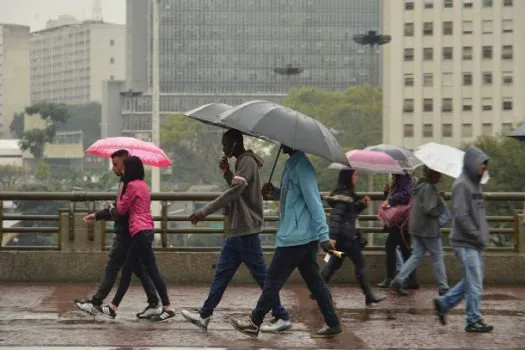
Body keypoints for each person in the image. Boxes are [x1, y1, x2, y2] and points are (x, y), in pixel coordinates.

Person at [181, 129, 291, 332]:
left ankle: (281, 315)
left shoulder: (247, 162)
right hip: (238, 230)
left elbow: (234, 192)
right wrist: (226, 172)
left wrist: (204, 212)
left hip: (245, 230)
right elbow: (238, 187)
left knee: (262, 278)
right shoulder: (242, 162)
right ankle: (205, 314)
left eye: (225, 144)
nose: (223, 148)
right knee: (222, 276)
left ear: (234, 143)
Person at [230, 145, 341, 338]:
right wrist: (274, 192)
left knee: (272, 280)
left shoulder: (302, 167)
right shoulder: (292, 164)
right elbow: (293, 197)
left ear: (294, 142)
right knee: (315, 282)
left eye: (284, 141)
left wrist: (324, 235)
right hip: (299, 236)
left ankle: (254, 322)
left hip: (295, 238)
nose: (280, 143)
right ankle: (333, 323)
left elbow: (314, 201)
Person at [74, 150, 160, 319]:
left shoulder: (130, 184)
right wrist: (99, 215)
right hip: (135, 232)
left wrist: (111, 210)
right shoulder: (131, 182)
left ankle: (97, 303)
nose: (114, 168)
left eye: (116, 164)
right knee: (140, 269)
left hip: (128, 232)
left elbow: (121, 211)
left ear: (125, 164)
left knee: (113, 266)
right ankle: (155, 303)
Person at [94, 156, 175, 321]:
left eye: (125, 168)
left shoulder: (130, 185)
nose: (122, 171)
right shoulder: (144, 185)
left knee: (127, 271)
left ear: (130, 169)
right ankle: (167, 307)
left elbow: (122, 210)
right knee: (152, 272)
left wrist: (115, 201)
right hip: (148, 230)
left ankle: (112, 307)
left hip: (138, 232)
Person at [434, 146, 493, 333]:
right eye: (481, 165)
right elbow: (461, 215)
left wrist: (483, 234)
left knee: (471, 280)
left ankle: (444, 303)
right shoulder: (462, 184)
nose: (483, 169)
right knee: (475, 282)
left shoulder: (475, 184)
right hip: (465, 242)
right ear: (472, 163)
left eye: (484, 166)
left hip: (474, 242)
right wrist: (477, 234)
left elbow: (478, 213)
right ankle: (472, 320)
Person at [319, 169, 385, 305]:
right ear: (348, 177)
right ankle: (368, 295)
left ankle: (317, 289)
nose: (357, 177)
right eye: (355, 174)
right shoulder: (344, 196)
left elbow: (350, 213)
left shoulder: (345, 194)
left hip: (343, 238)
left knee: (333, 264)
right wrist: (332, 237)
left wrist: (362, 204)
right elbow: (337, 217)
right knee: (360, 264)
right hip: (348, 238)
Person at [390, 166, 450, 296]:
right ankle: (443, 287)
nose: (439, 176)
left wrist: (438, 197)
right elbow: (430, 208)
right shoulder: (429, 188)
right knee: (438, 256)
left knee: (417, 255)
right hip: (428, 229)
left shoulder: (419, 186)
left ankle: (399, 279)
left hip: (416, 227)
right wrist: (440, 206)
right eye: (438, 173)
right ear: (432, 174)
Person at [377, 173, 419, 289]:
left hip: (401, 222)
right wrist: (387, 192)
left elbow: (405, 196)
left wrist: (390, 198)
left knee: (390, 246)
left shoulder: (405, 179)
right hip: (402, 221)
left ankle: (390, 279)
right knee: (405, 250)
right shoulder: (400, 179)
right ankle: (412, 280)